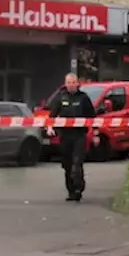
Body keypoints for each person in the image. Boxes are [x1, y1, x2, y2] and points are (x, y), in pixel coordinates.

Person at [49, 73, 96, 201]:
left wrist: (95, 133)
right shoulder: (61, 97)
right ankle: (70, 190)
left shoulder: (83, 98)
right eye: (68, 82)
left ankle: (78, 188)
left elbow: (92, 117)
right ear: (65, 84)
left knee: (77, 163)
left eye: (73, 82)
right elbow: (52, 115)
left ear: (77, 83)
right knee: (67, 165)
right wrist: (50, 127)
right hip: (65, 136)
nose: (71, 85)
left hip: (79, 135)